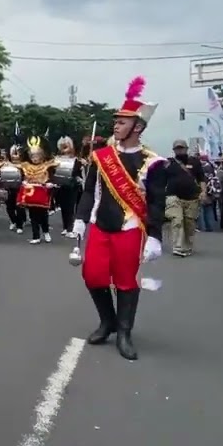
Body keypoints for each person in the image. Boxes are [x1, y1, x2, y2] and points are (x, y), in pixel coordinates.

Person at [72, 77, 167, 361]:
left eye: (123, 121)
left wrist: (154, 236)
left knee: (126, 282)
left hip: (130, 227)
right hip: (100, 225)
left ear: (138, 127)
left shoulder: (153, 162)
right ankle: (108, 321)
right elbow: (90, 190)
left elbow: (156, 202)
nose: (116, 125)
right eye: (116, 120)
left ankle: (124, 332)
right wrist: (79, 219)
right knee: (92, 276)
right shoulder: (102, 156)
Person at [164, 139, 206, 257]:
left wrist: (203, 192)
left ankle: (187, 246)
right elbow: (161, 180)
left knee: (189, 223)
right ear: (174, 150)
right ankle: (177, 246)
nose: (179, 150)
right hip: (173, 196)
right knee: (177, 220)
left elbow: (201, 178)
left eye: (181, 148)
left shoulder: (194, 161)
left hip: (192, 197)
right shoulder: (168, 163)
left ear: (186, 148)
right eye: (177, 148)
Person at [16, 136, 56, 244]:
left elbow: (52, 177)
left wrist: (49, 183)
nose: (34, 158)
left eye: (37, 156)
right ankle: (36, 236)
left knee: (43, 215)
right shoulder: (26, 166)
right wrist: (24, 182)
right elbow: (22, 176)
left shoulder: (47, 165)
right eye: (32, 156)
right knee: (33, 215)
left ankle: (46, 231)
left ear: (42, 156)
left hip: (42, 194)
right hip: (30, 194)